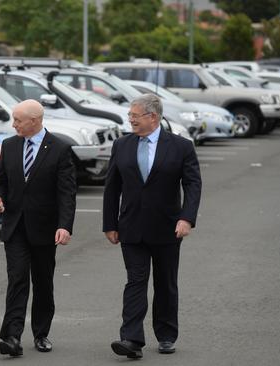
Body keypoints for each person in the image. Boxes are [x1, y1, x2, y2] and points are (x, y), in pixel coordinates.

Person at [102, 94, 202, 359]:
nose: (131, 120)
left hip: (168, 227)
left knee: (165, 282)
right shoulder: (122, 145)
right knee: (135, 280)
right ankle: (131, 339)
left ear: (153, 117)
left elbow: (192, 185)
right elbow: (112, 188)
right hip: (131, 226)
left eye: (135, 115)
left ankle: (167, 334)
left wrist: (186, 218)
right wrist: (109, 223)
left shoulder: (181, 147)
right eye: (130, 116)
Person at [0, 99, 77, 357]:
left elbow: (67, 193)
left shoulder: (60, 149)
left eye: (18, 120)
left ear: (35, 121)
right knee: (17, 279)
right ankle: (12, 336)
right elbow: (1, 181)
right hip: (15, 226)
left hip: (45, 228)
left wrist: (64, 226)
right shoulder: (9, 145)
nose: (13, 124)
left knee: (42, 282)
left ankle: (41, 333)